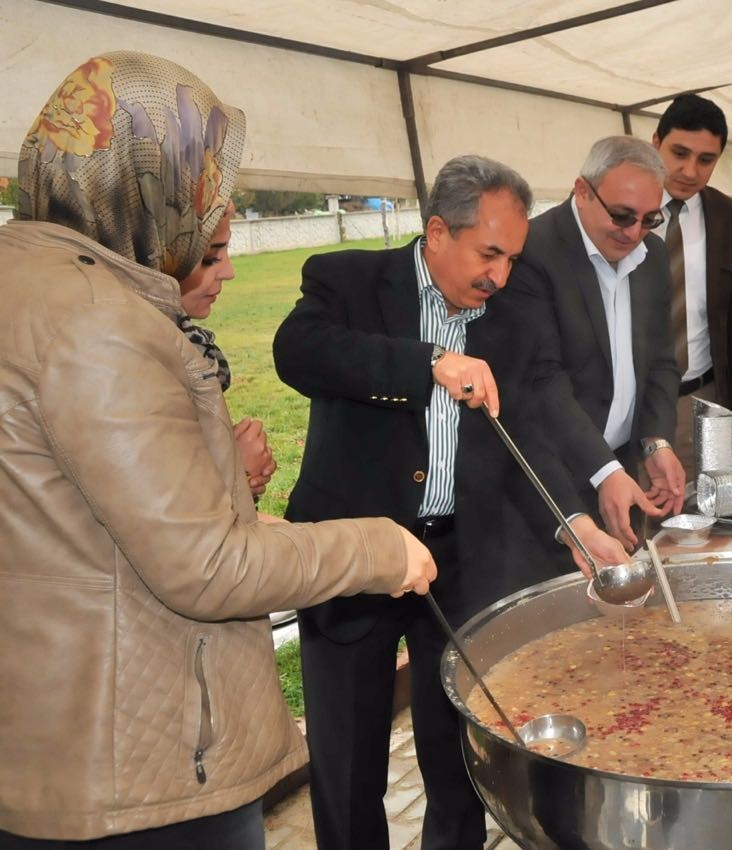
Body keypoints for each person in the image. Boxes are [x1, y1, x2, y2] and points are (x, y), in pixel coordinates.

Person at [0, 51, 436, 849]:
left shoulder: (25, 284)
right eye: (204, 214)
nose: (216, 246)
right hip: (140, 766)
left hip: (55, 737)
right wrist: (377, 546)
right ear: (150, 186)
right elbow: (204, 569)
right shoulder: (98, 324)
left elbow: (80, 517)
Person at [273, 155, 626, 850]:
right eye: (488, 252)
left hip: (461, 563)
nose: (500, 274)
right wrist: (428, 362)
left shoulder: (512, 316)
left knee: (460, 766)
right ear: (437, 232)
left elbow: (525, 433)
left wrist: (575, 523)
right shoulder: (347, 282)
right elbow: (298, 351)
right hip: (355, 562)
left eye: (512, 257)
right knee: (347, 775)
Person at [507, 136, 684, 553]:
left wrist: (655, 441)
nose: (634, 233)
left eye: (649, 219)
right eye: (623, 216)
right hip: (547, 477)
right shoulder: (533, 251)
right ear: (582, 191)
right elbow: (542, 378)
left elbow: (660, 359)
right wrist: (603, 471)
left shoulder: (652, 254)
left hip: (619, 468)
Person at [650, 94, 732, 473]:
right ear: (655, 142)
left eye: (705, 160)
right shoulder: (622, 209)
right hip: (633, 406)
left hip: (703, 398)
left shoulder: (729, 216)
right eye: (679, 153)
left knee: (703, 519)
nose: (690, 171)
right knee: (634, 522)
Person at [175, 199, 277, 499]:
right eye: (209, 258)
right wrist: (236, 471)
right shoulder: (135, 361)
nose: (229, 271)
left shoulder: (187, 346)